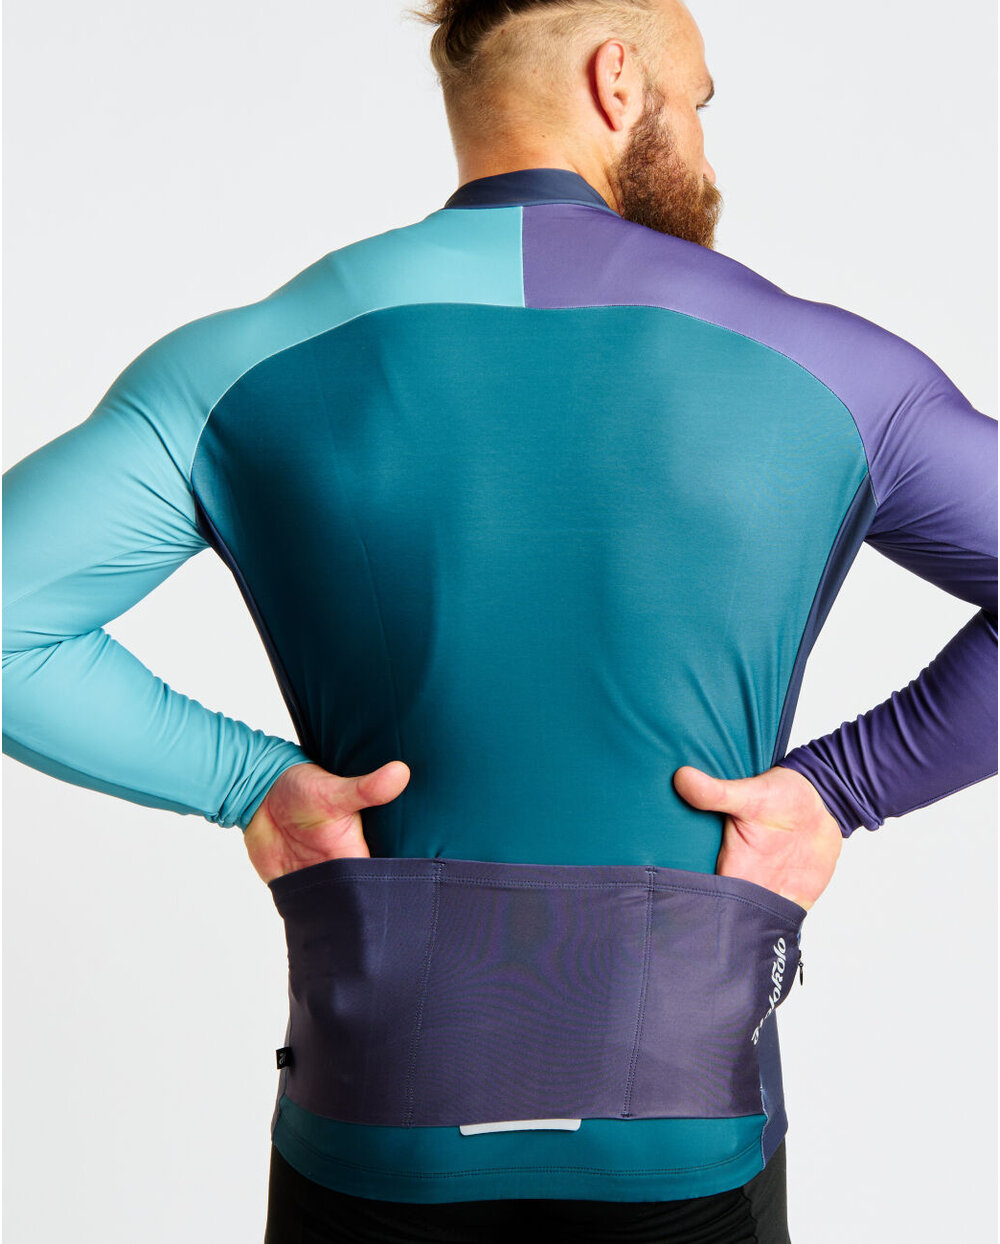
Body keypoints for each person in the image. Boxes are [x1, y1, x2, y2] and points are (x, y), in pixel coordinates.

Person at [2, 0, 995, 1240]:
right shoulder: (832, 369)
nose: (704, 149)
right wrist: (846, 786)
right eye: (697, 103)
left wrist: (245, 781)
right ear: (617, 79)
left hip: (376, 1118)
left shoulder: (244, 362)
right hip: (684, 1125)